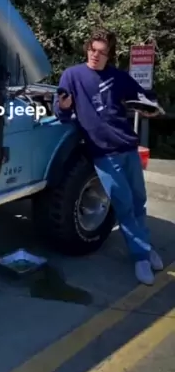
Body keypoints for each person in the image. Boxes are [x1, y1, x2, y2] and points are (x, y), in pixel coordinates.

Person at [54, 28, 163, 285]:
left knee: (138, 201)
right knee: (124, 204)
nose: (95, 55)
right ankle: (140, 256)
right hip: (103, 153)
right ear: (87, 49)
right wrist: (64, 107)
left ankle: (145, 246)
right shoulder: (72, 75)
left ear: (109, 54)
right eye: (92, 50)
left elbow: (144, 97)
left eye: (101, 52)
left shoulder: (118, 77)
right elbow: (60, 112)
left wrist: (151, 107)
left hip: (128, 147)